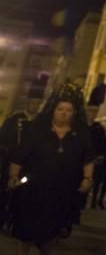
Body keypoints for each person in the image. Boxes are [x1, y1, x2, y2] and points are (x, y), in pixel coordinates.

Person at [8, 83, 94, 255]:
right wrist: (13, 176)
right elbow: (19, 156)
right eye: (60, 109)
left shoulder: (80, 135)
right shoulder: (37, 130)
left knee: (51, 235)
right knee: (25, 233)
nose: (63, 113)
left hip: (61, 192)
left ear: (74, 113)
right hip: (32, 190)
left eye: (68, 110)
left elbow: (88, 160)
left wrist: (87, 179)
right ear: (53, 110)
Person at [0, 77, 44, 229]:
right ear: (27, 102)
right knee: (6, 192)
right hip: (10, 163)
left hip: (30, 166)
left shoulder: (42, 123)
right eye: (32, 102)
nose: (34, 105)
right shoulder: (14, 120)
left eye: (37, 103)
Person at [84, 84, 106, 212]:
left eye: (95, 111)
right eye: (90, 110)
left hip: (92, 161)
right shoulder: (80, 126)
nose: (92, 114)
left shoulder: (99, 129)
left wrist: (100, 156)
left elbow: (103, 146)